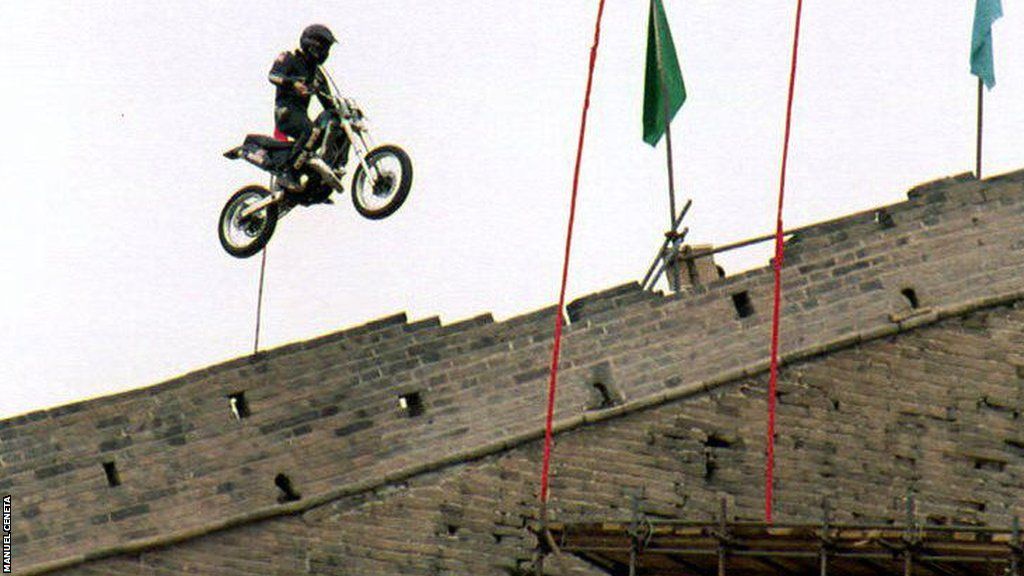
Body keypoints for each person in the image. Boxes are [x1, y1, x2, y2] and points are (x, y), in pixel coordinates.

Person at [267, 24, 337, 192]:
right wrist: (293, 83)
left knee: (326, 127)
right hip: (285, 112)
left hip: (301, 115)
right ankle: (287, 173)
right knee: (310, 130)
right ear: (312, 44)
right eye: (323, 47)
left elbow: (328, 101)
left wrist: (342, 111)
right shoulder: (289, 57)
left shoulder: (317, 73)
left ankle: (315, 181)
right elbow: (273, 76)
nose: (325, 52)